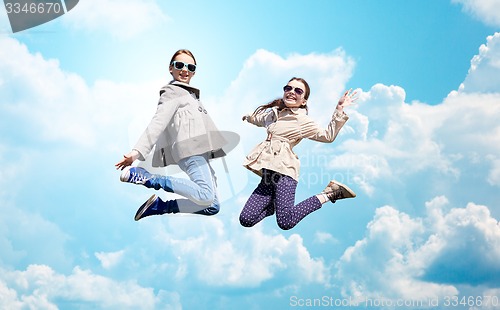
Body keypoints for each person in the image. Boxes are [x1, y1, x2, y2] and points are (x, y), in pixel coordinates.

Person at [115, 49, 227, 221]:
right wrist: (136, 153)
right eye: (179, 65)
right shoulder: (172, 92)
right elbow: (157, 123)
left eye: (190, 67)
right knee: (205, 196)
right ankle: (148, 178)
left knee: (212, 206)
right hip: (190, 150)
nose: (185, 70)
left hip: (200, 153)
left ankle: (160, 206)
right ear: (171, 68)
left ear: (194, 71)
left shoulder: (191, 95)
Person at [239, 77, 357, 230]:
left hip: (285, 174)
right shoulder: (273, 114)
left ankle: (329, 193)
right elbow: (258, 119)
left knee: (286, 222)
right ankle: (273, 205)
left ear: (303, 101)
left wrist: (339, 110)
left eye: (298, 90)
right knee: (246, 219)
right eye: (288, 88)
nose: (291, 92)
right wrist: (247, 117)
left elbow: (328, 136)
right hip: (268, 175)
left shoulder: (302, 120)